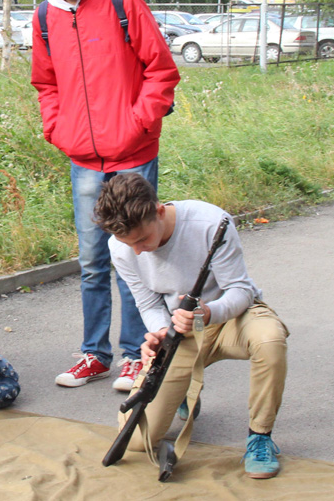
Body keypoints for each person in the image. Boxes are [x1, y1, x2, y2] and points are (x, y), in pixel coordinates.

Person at [28, 0, 180, 392]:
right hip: (85, 158)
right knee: (94, 259)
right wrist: (58, 129)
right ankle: (95, 353)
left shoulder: (121, 1)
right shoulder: (44, 17)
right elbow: (45, 83)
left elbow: (161, 70)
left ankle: (136, 355)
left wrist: (137, 122)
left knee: (136, 252)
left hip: (133, 153)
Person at [93, 173, 288, 479]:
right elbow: (147, 303)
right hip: (181, 330)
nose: (138, 251)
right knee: (133, 442)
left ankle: (260, 436)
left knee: (270, 340)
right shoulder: (122, 248)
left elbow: (240, 290)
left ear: (159, 211)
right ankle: (181, 391)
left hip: (231, 317)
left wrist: (208, 312)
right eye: (128, 243)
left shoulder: (210, 222)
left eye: (142, 239)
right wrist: (159, 333)